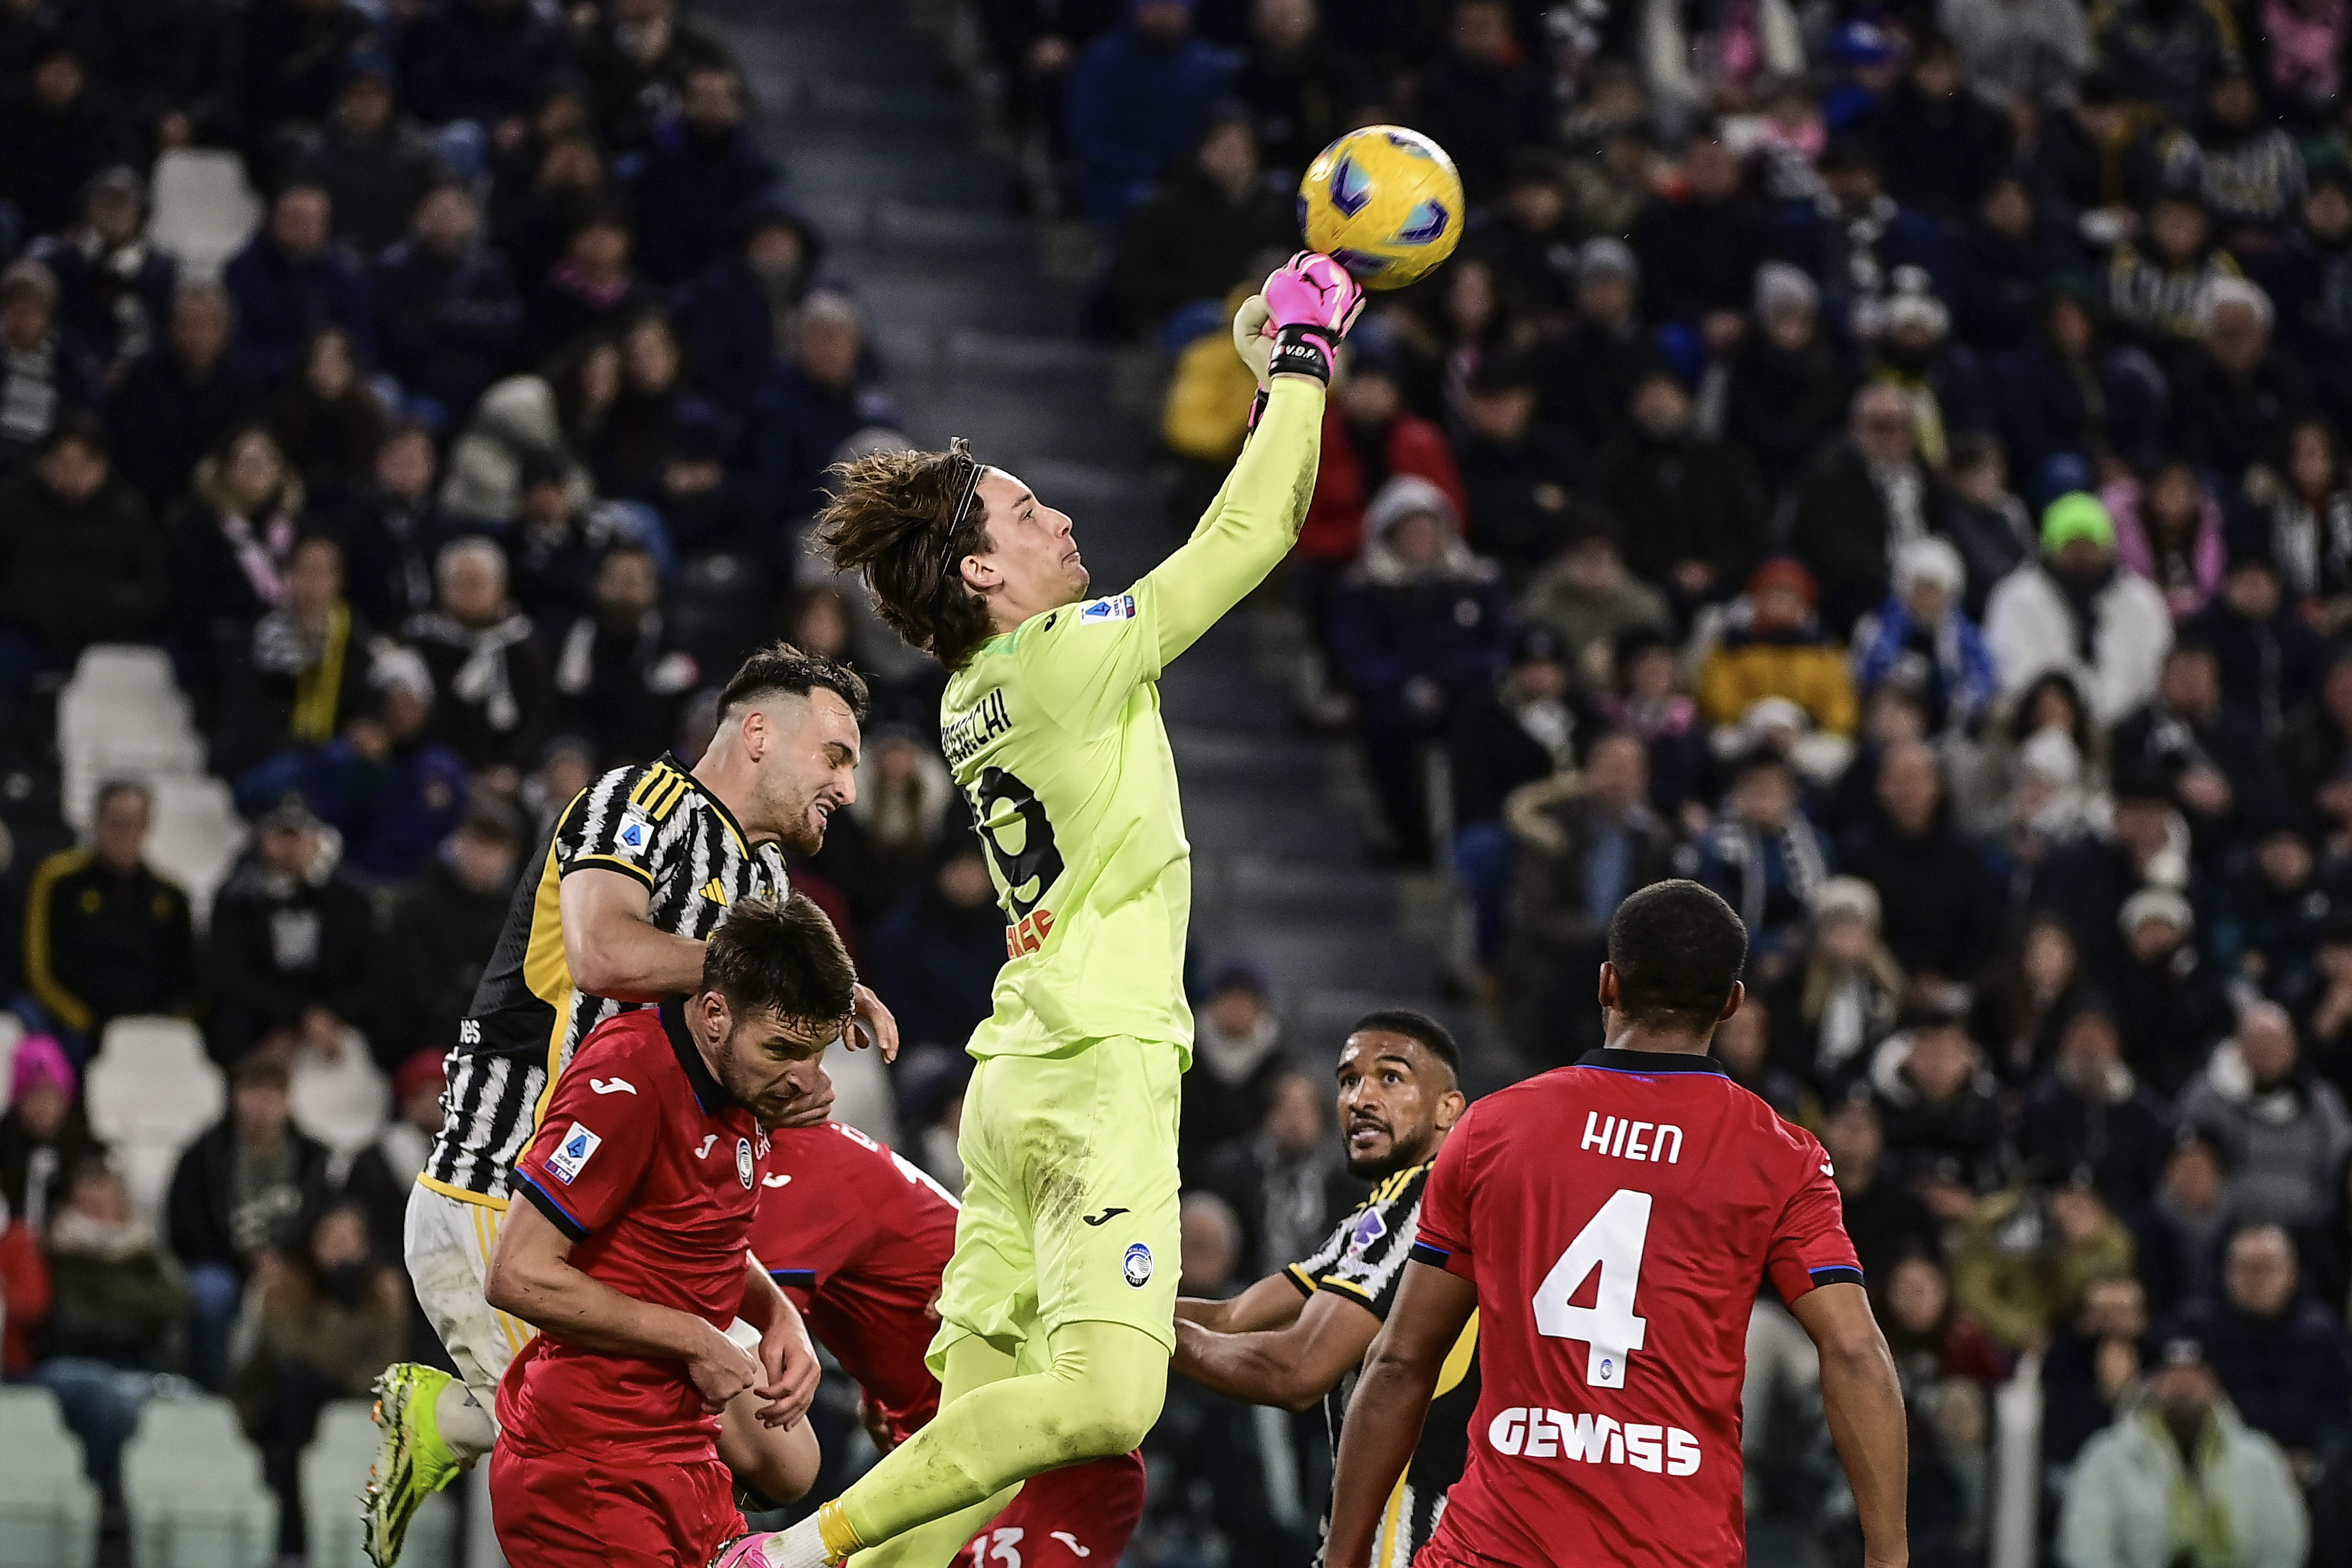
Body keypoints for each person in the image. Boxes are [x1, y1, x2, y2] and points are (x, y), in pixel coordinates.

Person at [727, 261, 1360, 1568]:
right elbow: (1247, 542)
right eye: (1027, 512)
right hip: (1100, 1070)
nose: (1061, 516)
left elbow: (1268, 511)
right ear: (980, 567)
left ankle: (811, 1563)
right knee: (1108, 1406)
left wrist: (1285, 377)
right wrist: (1293, 360)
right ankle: (793, 1556)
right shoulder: (1072, 659)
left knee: (980, 1439)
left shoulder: (979, 692)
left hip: (1021, 1080)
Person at [365, 643, 900, 1564]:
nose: (848, 789)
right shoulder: (639, 801)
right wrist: (774, 984)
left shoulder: (767, 886)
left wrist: (783, 1077)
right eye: (837, 756)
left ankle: (460, 1423)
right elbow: (603, 954)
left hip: (636, 1221)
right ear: (759, 733)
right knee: (635, 1452)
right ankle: (455, 1421)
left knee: (786, 1459)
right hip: (512, 1192)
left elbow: (713, 1063)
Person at [1323, 880, 1909, 1568]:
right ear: (1731, 1003)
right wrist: (1888, 1556)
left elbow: (1400, 1362)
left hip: (1493, 1548)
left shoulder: (1493, 1130)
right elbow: (1855, 1354)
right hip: (1673, 1550)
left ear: (1607, 984)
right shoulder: (1779, 1155)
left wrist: (1342, 1556)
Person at [482, 897, 842, 1567]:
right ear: (713, 1016)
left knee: (798, 1468)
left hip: (684, 1455)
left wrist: (778, 1315)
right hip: (590, 1470)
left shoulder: (745, 1082)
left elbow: (688, 1233)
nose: (803, 1078)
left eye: (815, 1053)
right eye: (783, 1050)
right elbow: (517, 1275)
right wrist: (697, 1339)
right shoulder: (625, 1084)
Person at [747, 1116, 1151, 1567]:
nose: (816, 1080)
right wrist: (879, 1380)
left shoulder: (798, 1158)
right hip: (938, 1464)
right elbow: (898, 1258)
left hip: (1044, 1465)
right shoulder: (779, 1156)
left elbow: (735, 1325)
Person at [1173, 1011, 1473, 1565]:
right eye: (1347, 1080)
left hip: (1415, 1531)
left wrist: (1123, 1333)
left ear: (1448, 1109)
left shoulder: (1430, 1201)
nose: (1360, 1098)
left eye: (1390, 1078)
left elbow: (1295, 1371)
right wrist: (1107, 1307)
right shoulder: (1378, 1210)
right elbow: (1236, 1314)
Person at [2058, 1336, 2307, 1568]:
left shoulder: (2259, 1457)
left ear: (2215, 1385)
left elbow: (2283, 1547)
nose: (2183, 1389)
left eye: (2195, 1377)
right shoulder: (2106, 1456)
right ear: (2151, 1384)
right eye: (2172, 1377)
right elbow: (2085, 1548)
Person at [165, 1055, 332, 1390]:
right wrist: (245, 1262)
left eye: (272, 1095)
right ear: (234, 1097)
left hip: (292, 1266)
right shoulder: (203, 1154)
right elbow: (183, 1225)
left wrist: (286, 1263)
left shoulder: (314, 1159)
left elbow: (324, 1224)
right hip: (223, 1264)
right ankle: (211, 1392)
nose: (261, 1105)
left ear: (287, 1102)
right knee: (211, 1294)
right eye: (253, 1093)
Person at [2158, 1222, 2352, 1472]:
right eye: (2246, 1268)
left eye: (2267, 1268)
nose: (2256, 1279)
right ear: (2226, 1272)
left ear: (2292, 1273)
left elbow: (2340, 1412)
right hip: (2215, 1463)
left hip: (2307, 1466)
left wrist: (2317, 1459)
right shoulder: (2195, 1327)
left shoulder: (2320, 1332)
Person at [22, 780, 198, 1054]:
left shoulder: (171, 895)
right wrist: (83, 1021)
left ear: (147, 827)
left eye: (134, 824)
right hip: (72, 1020)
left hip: (147, 1028)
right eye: (116, 823)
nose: (125, 834)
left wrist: (160, 1024)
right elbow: (38, 967)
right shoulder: (58, 880)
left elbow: (186, 976)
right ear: (96, 822)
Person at [204, 794, 378, 1066]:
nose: (290, 846)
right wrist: (298, 1017)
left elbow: (372, 971)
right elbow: (230, 974)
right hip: (260, 1014)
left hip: (332, 1010)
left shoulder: (352, 901)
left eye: (299, 836)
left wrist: (329, 1017)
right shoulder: (235, 900)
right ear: (261, 839)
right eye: (280, 836)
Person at [1985, 491, 2175, 726]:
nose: (2082, 555)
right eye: (2072, 546)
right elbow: (2013, 668)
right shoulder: (2017, 597)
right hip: (2042, 726)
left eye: (2091, 545)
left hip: (2131, 727)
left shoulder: (2140, 600)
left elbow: (2156, 666)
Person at [0, 413, 167, 671]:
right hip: (28, 634)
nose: (74, 475)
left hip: (108, 641)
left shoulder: (127, 510)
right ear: (43, 462)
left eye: (85, 464)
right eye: (64, 463)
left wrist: (114, 606)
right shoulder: (15, 505)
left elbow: (153, 585)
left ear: (102, 465)